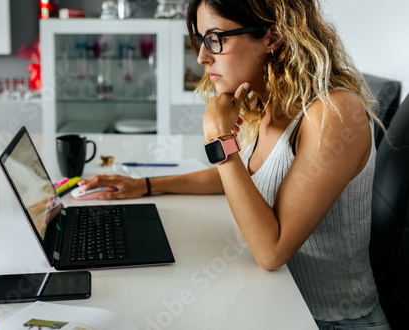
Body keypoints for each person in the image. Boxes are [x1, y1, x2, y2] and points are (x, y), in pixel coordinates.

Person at [78, 0, 390, 328]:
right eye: (200, 40)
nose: (202, 56)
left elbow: (271, 252)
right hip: (274, 305)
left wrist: (219, 140)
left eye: (215, 38)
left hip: (330, 321)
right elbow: (247, 175)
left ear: (273, 36)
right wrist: (145, 186)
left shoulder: (335, 114)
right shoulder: (267, 105)